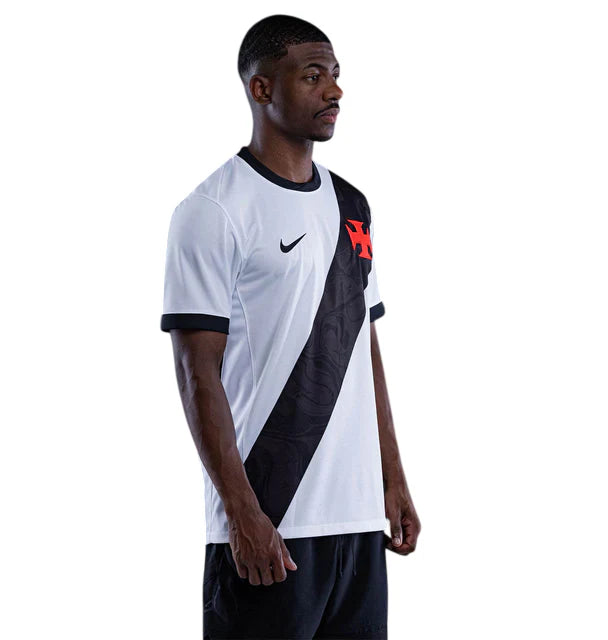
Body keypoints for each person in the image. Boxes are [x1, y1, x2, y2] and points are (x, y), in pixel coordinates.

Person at [160, 14, 421, 640]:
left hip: (356, 521)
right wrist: (241, 514)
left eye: (335, 74)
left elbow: (364, 347)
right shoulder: (213, 210)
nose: (334, 90)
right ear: (261, 89)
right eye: (312, 76)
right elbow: (197, 375)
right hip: (270, 523)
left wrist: (392, 476)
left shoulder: (352, 205)